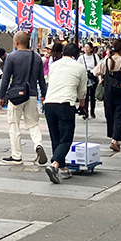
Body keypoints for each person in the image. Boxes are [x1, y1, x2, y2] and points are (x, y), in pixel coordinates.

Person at [0, 31, 48, 165]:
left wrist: (1, 96)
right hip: (31, 94)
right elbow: (41, 79)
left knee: (14, 124)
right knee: (33, 123)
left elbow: (6, 78)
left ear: (16, 42)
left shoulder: (12, 57)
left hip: (15, 96)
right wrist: (44, 94)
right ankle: (38, 144)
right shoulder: (36, 57)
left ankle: (16, 155)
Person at [44, 43, 87, 184]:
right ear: (77, 55)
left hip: (49, 104)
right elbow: (82, 91)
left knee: (55, 137)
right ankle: (55, 165)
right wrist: (82, 106)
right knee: (66, 139)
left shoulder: (54, 65)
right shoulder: (80, 68)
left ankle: (62, 168)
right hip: (65, 104)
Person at [93, 39, 121, 152]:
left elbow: (95, 72)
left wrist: (102, 77)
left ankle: (113, 137)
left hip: (108, 92)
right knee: (120, 115)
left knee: (110, 114)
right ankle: (115, 140)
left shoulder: (106, 61)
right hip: (120, 91)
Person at [77, 42, 101, 119]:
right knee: (85, 95)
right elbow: (78, 66)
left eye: (88, 47)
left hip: (93, 76)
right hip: (85, 77)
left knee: (93, 95)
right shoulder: (81, 58)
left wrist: (94, 72)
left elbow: (98, 65)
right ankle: (85, 111)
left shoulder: (95, 56)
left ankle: (92, 111)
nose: (86, 49)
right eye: (85, 47)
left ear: (91, 49)